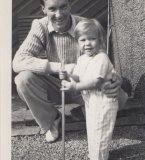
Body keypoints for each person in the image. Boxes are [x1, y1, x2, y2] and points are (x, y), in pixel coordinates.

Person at [12, 0, 123, 143]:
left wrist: (115, 76)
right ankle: (52, 119)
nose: (59, 15)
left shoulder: (85, 24)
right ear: (43, 9)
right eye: (52, 9)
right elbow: (18, 61)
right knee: (23, 79)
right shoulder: (40, 26)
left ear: (69, 5)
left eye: (63, 7)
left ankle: (84, 110)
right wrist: (60, 68)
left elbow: (104, 60)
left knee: (120, 97)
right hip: (57, 86)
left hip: (85, 85)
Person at [60, 19, 118, 160]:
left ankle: (99, 157)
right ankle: (95, 155)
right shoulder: (82, 59)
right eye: (83, 40)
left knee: (100, 132)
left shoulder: (101, 58)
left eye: (92, 39)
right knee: (92, 130)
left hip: (104, 101)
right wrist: (68, 75)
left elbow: (96, 81)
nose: (87, 43)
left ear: (100, 40)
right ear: (77, 42)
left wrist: (75, 87)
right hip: (91, 101)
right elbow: (79, 76)